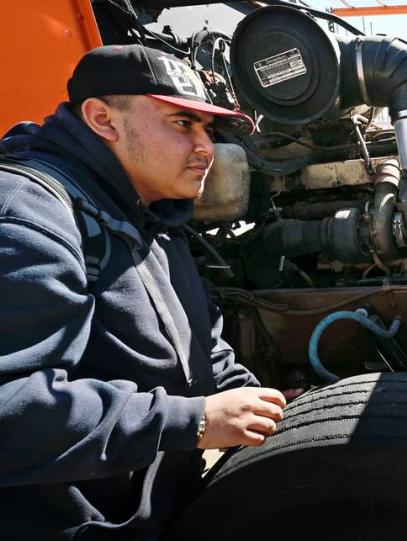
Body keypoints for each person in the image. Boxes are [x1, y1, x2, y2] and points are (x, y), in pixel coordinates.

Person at [0, 45, 287, 539]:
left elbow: (200, 347)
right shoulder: (27, 215)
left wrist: (253, 398)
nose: (205, 148)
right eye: (182, 123)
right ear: (103, 120)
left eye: (208, 130)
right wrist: (191, 421)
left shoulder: (150, 213)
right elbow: (11, 408)